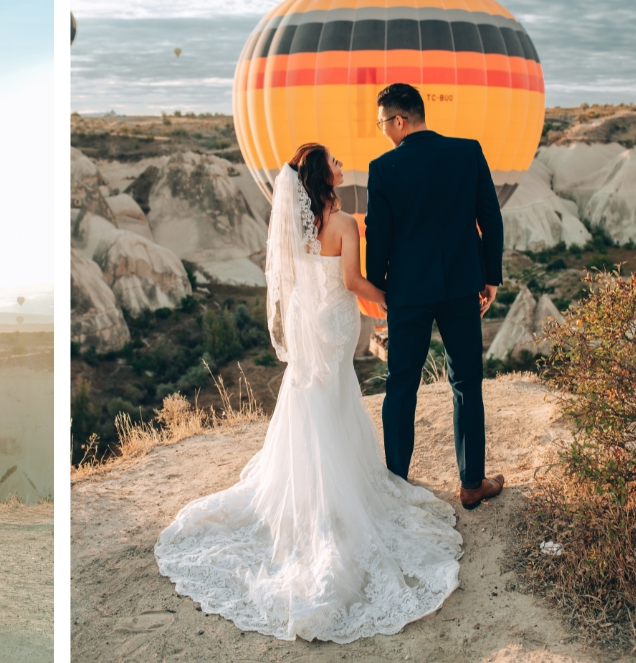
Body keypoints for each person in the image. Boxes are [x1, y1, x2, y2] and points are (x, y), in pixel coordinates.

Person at [154, 142, 464, 643]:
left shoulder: (295, 228)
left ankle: (311, 485)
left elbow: (294, 282)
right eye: (337, 162)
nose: (344, 166)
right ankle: (339, 497)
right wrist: (396, 299)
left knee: (308, 398)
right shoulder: (344, 225)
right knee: (338, 395)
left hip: (305, 323)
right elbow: (353, 282)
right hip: (337, 323)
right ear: (325, 176)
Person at [366, 82, 505, 509]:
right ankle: (470, 485)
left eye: (382, 123)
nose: (382, 131)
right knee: (466, 383)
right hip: (463, 286)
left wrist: (378, 285)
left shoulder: (384, 168)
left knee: (401, 385)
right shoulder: (468, 151)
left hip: (408, 292)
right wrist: (490, 277)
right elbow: (491, 220)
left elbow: (379, 237)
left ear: (400, 120)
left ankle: (396, 485)